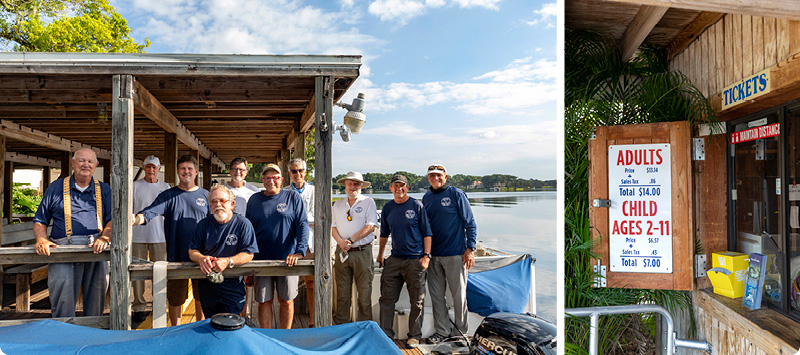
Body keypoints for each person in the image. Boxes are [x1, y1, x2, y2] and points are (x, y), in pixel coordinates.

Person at [32, 148, 111, 318]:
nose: (86, 165)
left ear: (96, 165)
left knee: (98, 293)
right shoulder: (56, 187)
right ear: (73, 163)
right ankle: (63, 336)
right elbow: (40, 219)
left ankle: (92, 335)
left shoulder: (104, 189)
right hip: (63, 249)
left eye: (90, 162)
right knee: (63, 295)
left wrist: (105, 237)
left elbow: (112, 219)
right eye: (82, 160)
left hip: (96, 247)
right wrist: (41, 239)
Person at [133, 154, 209, 325]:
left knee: (201, 297)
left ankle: (200, 328)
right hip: (176, 258)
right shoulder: (168, 195)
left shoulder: (206, 196)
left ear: (196, 172)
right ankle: (175, 330)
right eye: (182, 169)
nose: (186, 172)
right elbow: (149, 212)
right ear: (177, 172)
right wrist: (135, 219)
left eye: (190, 169)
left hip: (202, 260)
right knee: (175, 299)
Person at [245, 163, 308, 329]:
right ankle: (267, 337)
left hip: (287, 260)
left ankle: (284, 336)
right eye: (267, 177)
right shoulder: (254, 200)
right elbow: (248, 230)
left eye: (275, 177)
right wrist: (247, 258)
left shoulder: (293, 198)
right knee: (264, 301)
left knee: (286, 300)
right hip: (260, 260)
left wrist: (299, 252)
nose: (271, 180)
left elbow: (302, 225)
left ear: (281, 179)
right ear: (262, 179)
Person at [422, 164, 477, 344]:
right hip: (434, 255)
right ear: (428, 178)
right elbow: (424, 227)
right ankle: (442, 332)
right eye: (432, 176)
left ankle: (461, 333)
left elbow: (470, 222)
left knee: (459, 297)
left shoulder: (456, 194)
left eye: (439, 175)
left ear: (445, 177)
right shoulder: (427, 197)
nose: (435, 178)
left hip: (456, 254)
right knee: (437, 296)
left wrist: (470, 249)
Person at [377, 174, 432, 349]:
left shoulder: (416, 205)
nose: (399, 189)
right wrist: (380, 254)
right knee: (386, 299)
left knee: (417, 301)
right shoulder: (387, 208)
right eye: (395, 186)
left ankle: (414, 336)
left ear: (407, 188)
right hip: (394, 259)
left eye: (402, 186)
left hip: (415, 260)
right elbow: (384, 234)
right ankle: (386, 335)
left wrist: (426, 256)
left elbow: (427, 233)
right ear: (391, 188)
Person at [189, 185, 258, 318]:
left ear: (232, 204)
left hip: (233, 285)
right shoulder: (203, 224)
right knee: (211, 323)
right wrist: (201, 258)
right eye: (214, 201)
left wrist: (228, 261)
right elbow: (193, 250)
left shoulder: (243, 224)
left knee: (231, 325)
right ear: (210, 206)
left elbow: (249, 253)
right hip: (208, 285)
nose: (218, 204)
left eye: (222, 200)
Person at [331, 171, 377, 324]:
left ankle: (365, 329)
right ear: (345, 185)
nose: (353, 186)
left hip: (362, 252)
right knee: (342, 295)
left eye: (356, 183)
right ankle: (342, 328)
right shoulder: (337, 204)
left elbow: (371, 226)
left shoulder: (368, 202)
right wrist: (341, 243)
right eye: (350, 183)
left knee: (364, 294)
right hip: (342, 251)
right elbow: (333, 228)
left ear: (361, 186)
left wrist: (350, 240)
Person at [131, 155, 171, 322]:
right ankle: (139, 305)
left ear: (158, 169)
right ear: (144, 168)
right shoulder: (134, 186)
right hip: (138, 236)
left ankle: (159, 304)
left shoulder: (166, 187)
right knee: (137, 273)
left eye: (154, 167)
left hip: (160, 235)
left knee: (160, 272)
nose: (151, 170)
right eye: (148, 166)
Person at [282, 158, 316, 326]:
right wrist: (305, 220)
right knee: (289, 286)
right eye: (294, 171)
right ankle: (291, 323)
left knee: (311, 283)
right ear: (289, 173)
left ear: (305, 171)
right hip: (290, 244)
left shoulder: (315, 191)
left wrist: (300, 220)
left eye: (300, 170)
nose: (298, 174)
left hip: (311, 243)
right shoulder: (284, 192)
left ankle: (313, 320)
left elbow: (321, 217)